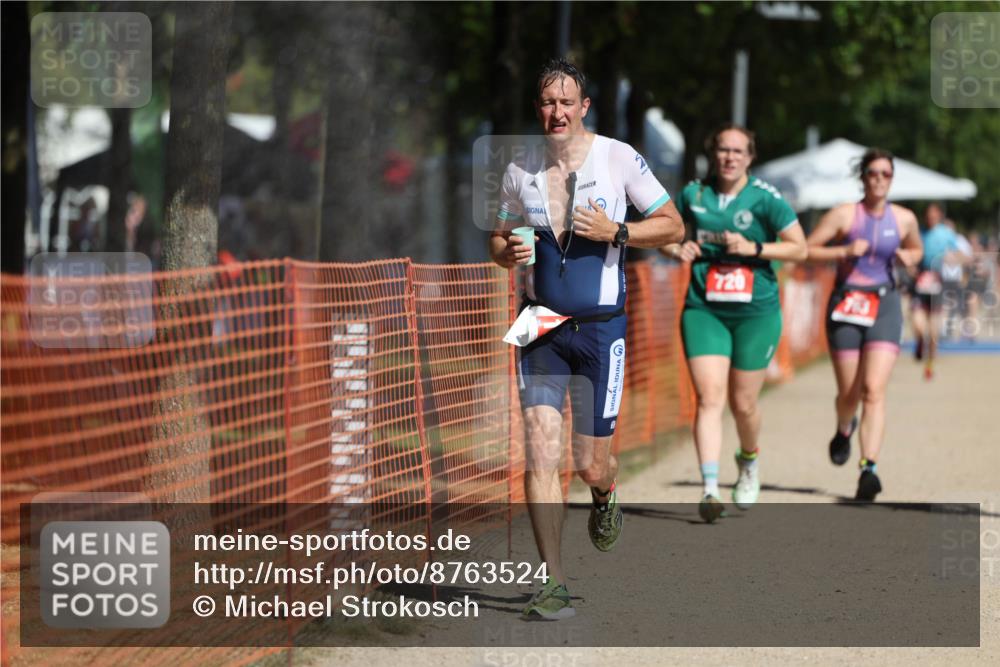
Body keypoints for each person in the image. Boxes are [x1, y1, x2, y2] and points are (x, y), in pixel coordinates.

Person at [489, 58, 683, 619]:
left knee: (589, 463)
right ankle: (550, 581)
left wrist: (618, 231)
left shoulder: (618, 157)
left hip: (602, 329)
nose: (557, 112)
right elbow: (498, 245)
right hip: (540, 325)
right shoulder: (517, 169)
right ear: (538, 108)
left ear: (583, 108)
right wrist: (509, 251)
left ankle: (604, 494)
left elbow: (673, 225)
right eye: (548, 103)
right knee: (541, 448)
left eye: (566, 103)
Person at [660, 124, 807, 523]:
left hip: (755, 313)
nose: (729, 157)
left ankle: (749, 460)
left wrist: (755, 247)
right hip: (704, 308)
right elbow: (661, 230)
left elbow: (800, 247)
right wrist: (677, 247)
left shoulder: (765, 200)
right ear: (714, 152)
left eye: (738, 151)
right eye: (723, 149)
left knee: (743, 404)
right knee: (709, 398)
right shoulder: (694, 194)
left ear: (750, 157)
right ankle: (709, 489)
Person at [804, 147, 922, 501]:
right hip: (847, 303)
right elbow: (806, 249)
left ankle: (868, 468)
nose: (879, 180)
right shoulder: (843, 215)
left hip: (884, 303)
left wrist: (908, 256)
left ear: (892, 178)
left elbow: (917, 252)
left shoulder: (904, 219)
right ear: (863, 177)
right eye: (873, 173)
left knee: (873, 389)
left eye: (886, 174)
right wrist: (842, 252)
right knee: (850, 393)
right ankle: (844, 427)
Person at [910, 202, 967, 379]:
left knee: (934, 328)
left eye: (934, 215)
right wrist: (911, 266)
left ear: (939, 216)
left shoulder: (946, 234)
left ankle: (930, 363)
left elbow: (963, 256)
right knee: (918, 324)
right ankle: (920, 341)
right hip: (920, 282)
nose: (931, 218)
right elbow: (910, 253)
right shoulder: (919, 232)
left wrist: (953, 259)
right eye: (928, 215)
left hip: (938, 283)